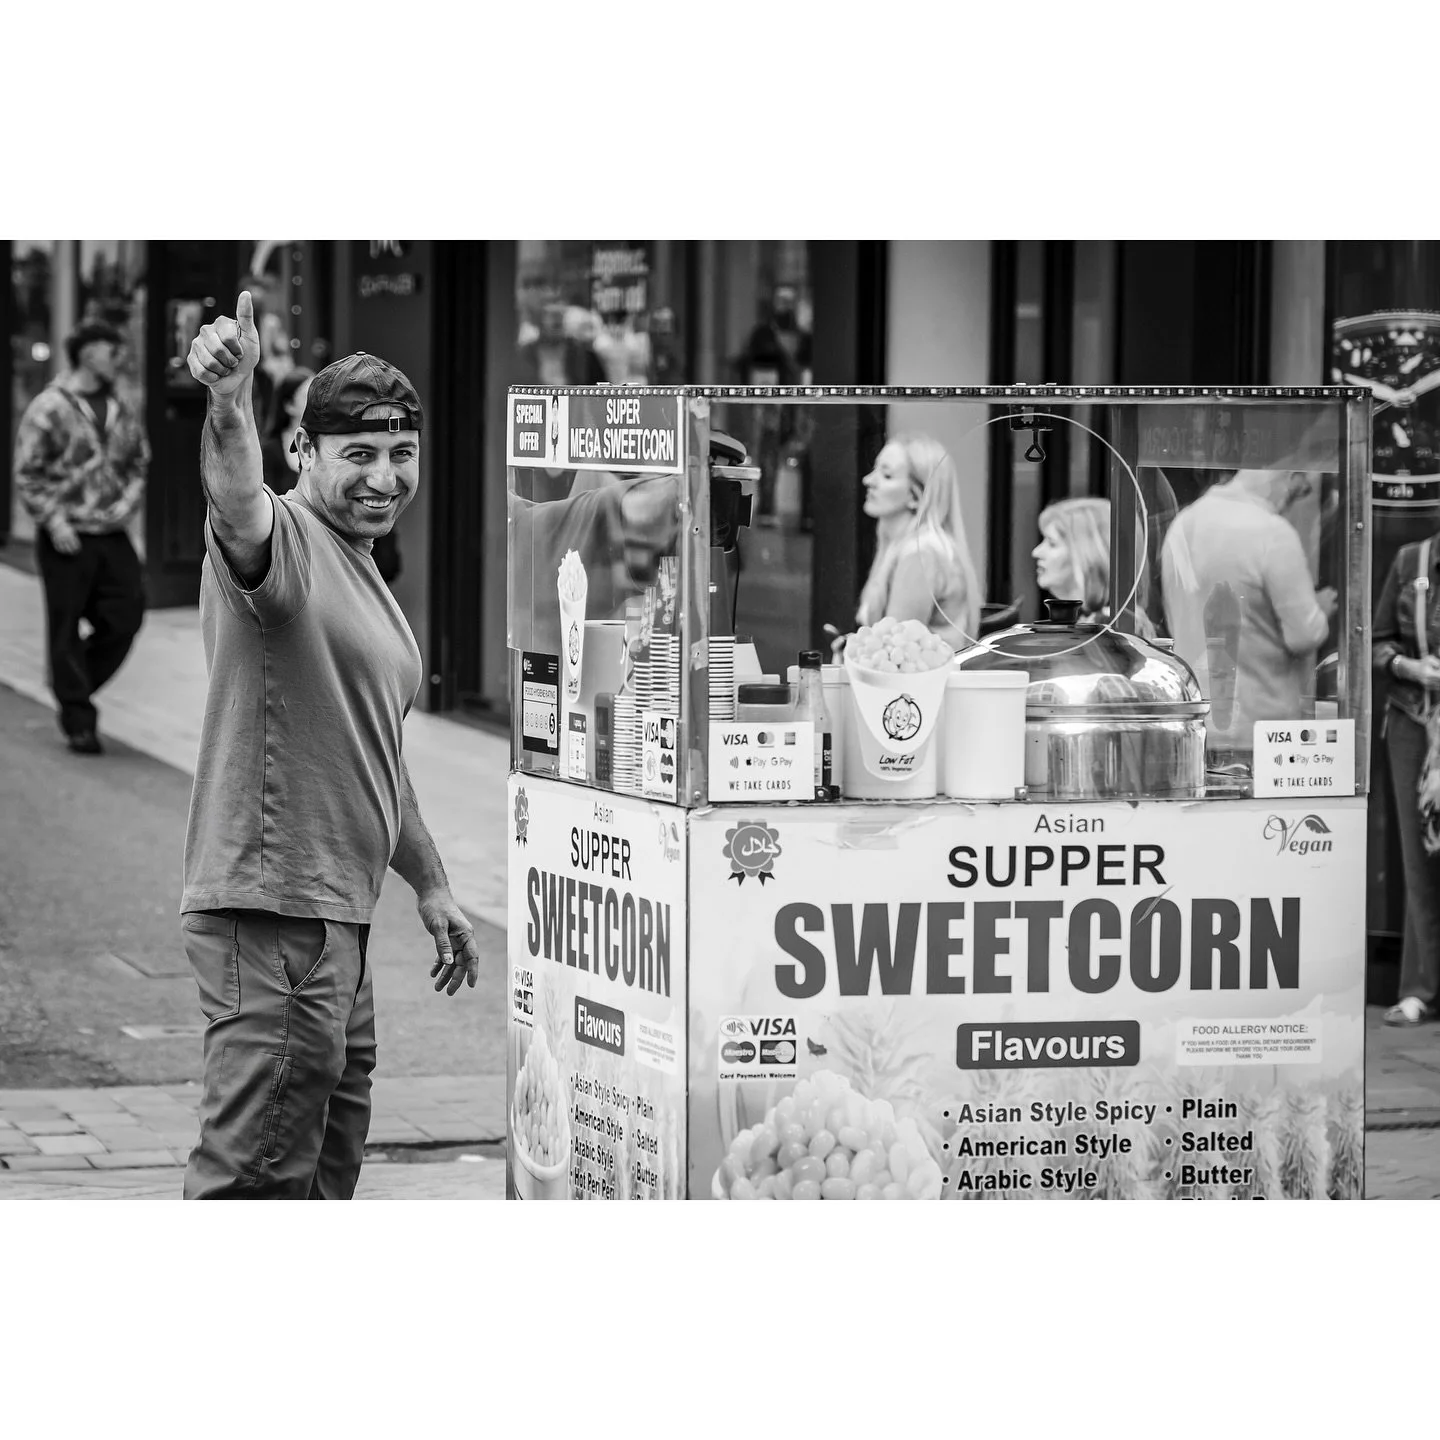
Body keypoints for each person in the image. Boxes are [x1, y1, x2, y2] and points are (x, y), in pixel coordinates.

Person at [179, 291, 480, 1199]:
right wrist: (228, 403)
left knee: (324, 1170)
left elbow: (371, 749)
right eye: (358, 455)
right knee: (257, 1177)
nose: (385, 478)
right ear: (301, 452)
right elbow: (236, 500)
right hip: (275, 915)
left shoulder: (362, 564)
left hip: (334, 922)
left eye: (401, 454)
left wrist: (431, 883)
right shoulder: (285, 547)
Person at [13, 319, 149, 754]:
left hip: (111, 532)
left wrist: (125, 508)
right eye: (112, 351)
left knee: (127, 614)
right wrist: (54, 521)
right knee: (65, 628)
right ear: (88, 353)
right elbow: (27, 473)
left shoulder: (121, 405)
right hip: (66, 535)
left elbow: (139, 462)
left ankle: (69, 683)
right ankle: (78, 721)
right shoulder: (49, 407)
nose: (119, 360)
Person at [1160, 469, 1336, 765]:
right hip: (1261, 727)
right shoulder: (1273, 533)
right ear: (1290, 477)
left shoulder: (1184, 524)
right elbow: (1304, 635)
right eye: (1302, 488)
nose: (1299, 496)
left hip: (1194, 719)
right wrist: (1320, 609)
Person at [1373, 535, 1440, 1025]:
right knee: (1420, 858)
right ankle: (1422, 988)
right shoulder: (1411, 561)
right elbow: (1375, 643)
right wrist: (1409, 666)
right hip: (1414, 723)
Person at [851, 434, 981, 649]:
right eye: (875, 469)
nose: (868, 480)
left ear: (915, 496)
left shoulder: (921, 553)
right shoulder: (906, 545)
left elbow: (896, 651)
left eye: (886, 475)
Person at [1032, 495, 1157, 635]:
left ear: (1089, 554)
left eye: (1052, 543)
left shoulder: (1113, 629)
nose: (1036, 552)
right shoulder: (1098, 624)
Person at [259, 367, 313, 495]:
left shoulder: (325, 443)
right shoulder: (270, 450)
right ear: (289, 406)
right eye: (307, 396)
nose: (314, 402)